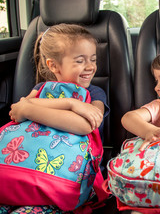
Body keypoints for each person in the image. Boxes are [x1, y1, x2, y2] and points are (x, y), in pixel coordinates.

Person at [0, 23, 109, 214]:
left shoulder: (94, 93)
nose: (90, 67)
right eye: (80, 61)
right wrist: (71, 104)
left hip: (68, 178)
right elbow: (17, 111)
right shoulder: (41, 88)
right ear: (53, 65)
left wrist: (30, 108)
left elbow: (85, 125)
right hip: (21, 172)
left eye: (93, 59)